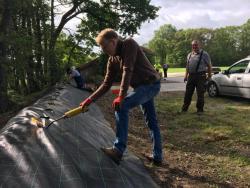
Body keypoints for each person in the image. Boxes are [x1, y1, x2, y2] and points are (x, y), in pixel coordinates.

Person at [79, 28, 163, 165]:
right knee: (151, 121)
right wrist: (89, 100)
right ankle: (158, 157)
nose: (104, 51)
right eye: (102, 48)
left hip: (151, 84)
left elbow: (127, 70)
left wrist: (121, 96)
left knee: (121, 105)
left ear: (113, 41)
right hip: (141, 88)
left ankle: (118, 150)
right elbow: (106, 84)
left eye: (105, 47)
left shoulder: (129, 44)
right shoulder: (112, 60)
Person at [181, 40, 212, 114]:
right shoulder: (189, 55)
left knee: (200, 94)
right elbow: (187, 66)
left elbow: (209, 66)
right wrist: (185, 76)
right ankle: (184, 109)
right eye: (193, 45)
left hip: (201, 76)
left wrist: (209, 76)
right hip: (191, 76)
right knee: (188, 93)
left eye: (196, 45)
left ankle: (200, 110)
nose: (194, 46)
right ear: (192, 46)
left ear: (199, 45)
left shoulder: (204, 54)